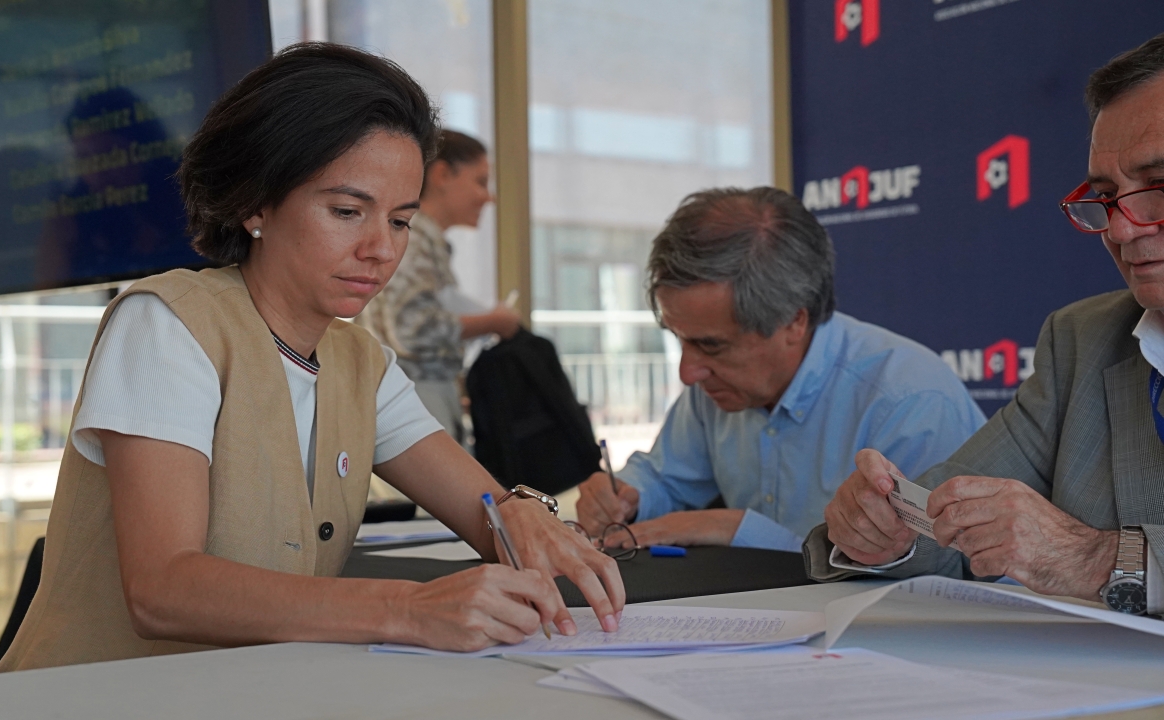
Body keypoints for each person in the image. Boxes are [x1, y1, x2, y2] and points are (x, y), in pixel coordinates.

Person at [0, 43, 624, 673]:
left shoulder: (360, 363)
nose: (380, 249)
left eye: (400, 221)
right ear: (255, 204)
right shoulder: (169, 323)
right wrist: (408, 608)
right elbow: (162, 590)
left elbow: (486, 513)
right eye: (347, 212)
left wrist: (520, 515)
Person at [807, 34, 1164, 617]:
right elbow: (944, 521)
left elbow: (1080, 558)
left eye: (1158, 186)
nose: (1122, 229)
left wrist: (1096, 559)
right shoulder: (1082, 341)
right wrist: (882, 531)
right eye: (1106, 196)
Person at [575, 187, 985, 553]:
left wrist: (738, 529)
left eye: (711, 345)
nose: (688, 372)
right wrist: (627, 496)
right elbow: (666, 479)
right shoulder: (715, 386)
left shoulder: (909, 403)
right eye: (678, 339)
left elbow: (933, 569)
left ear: (794, 322)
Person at [355, 130, 520, 443]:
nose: (489, 197)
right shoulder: (413, 239)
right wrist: (494, 322)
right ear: (443, 175)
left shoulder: (425, 241)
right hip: (411, 398)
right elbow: (408, 328)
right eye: (481, 181)